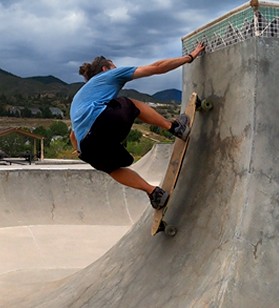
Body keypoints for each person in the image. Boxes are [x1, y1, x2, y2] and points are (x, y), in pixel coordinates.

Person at [69, 42, 205, 210]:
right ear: (106, 69)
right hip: (103, 123)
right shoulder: (109, 75)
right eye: (114, 66)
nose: (117, 68)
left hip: (87, 149)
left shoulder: (82, 96)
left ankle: (154, 193)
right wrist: (189, 57)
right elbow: (157, 67)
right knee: (129, 104)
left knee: (113, 169)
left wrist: (81, 151)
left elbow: (73, 136)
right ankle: (174, 127)